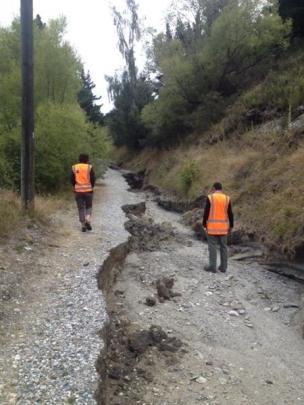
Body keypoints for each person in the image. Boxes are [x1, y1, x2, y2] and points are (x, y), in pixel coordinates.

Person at [203, 182, 234, 273]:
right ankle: (223, 267)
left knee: (212, 246)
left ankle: (212, 266)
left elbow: (206, 212)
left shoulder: (211, 197)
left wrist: (204, 223)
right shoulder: (226, 198)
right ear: (221, 189)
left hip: (212, 227)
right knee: (223, 247)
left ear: (214, 188)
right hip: (223, 228)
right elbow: (230, 214)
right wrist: (231, 225)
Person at [71, 154, 96, 232]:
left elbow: (71, 179)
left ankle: (83, 225)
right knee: (89, 206)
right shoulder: (89, 167)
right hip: (88, 190)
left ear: (79, 159)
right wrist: (91, 186)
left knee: (81, 208)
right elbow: (93, 178)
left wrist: (75, 186)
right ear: (87, 160)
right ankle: (87, 219)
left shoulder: (74, 167)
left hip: (78, 191)